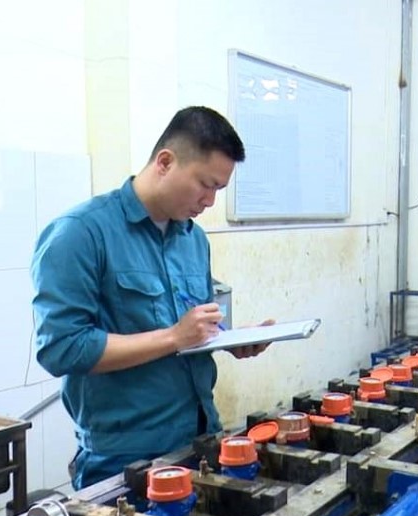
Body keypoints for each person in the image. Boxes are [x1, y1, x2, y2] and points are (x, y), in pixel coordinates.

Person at [31, 106, 271, 490]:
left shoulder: (193, 239)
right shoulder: (80, 233)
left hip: (200, 439)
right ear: (165, 162)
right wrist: (174, 337)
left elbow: (189, 328)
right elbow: (62, 348)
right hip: (125, 458)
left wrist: (229, 340)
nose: (210, 201)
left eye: (219, 190)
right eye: (205, 184)